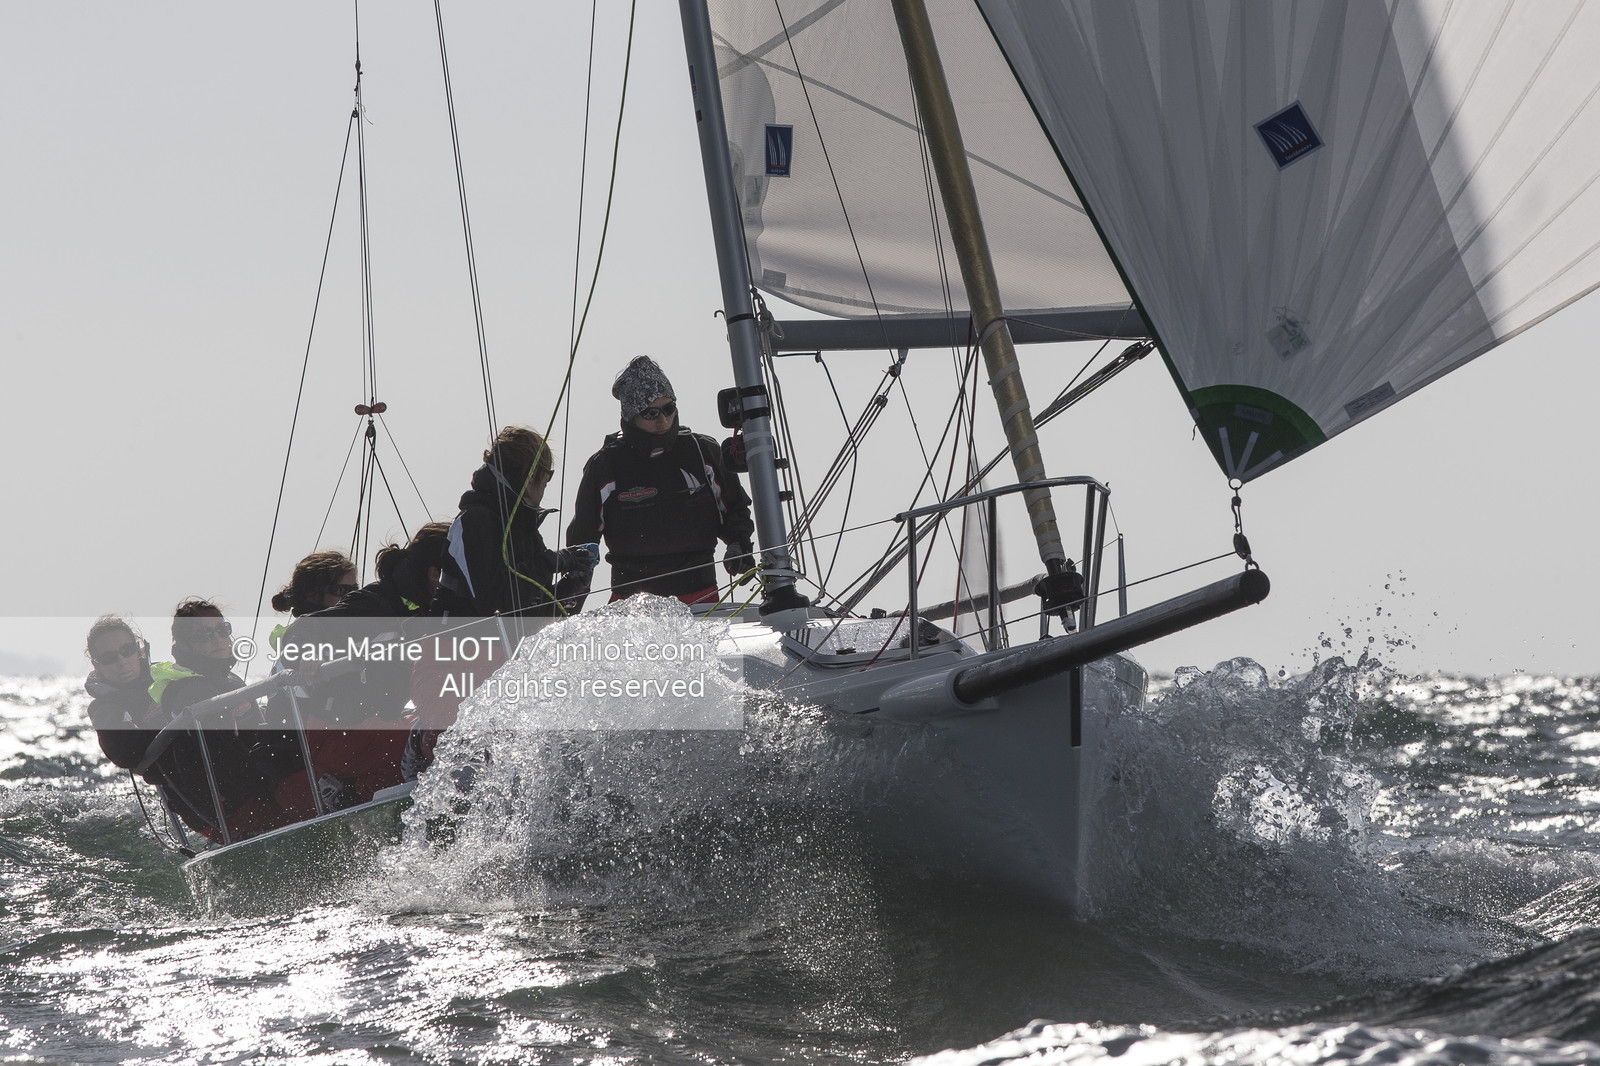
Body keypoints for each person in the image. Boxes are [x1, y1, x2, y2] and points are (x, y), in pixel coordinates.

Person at [270, 523, 451, 809]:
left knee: (425, 737)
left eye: (354, 587)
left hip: (365, 719)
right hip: (329, 731)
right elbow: (307, 628)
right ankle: (351, 793)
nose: (352, 593)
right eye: (344, 589)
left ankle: (359, 793)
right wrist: (308, 653)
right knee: (427, 742)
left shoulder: (424, 607)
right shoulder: (371, 604)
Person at [565, 355, 755, 606]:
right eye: (651, 412)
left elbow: (735, 509)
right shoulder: (606, 464)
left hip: (699, 595)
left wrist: (739, 544)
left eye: (668, 408)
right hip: (631, 602)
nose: (662, 419)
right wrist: (572, 600)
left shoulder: (701, 452)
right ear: (632, 415)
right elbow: (583, 539)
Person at [144, 599, 297, 841]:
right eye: (204, 635)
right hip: (233, 808)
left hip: (255, 790)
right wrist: (279, 786)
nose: (217, 638)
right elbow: (226, 762)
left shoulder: (229, 680)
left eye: (221, 630)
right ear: (185, 645)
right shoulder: (190, 692)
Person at [431, 426, 595, 620]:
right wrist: (554, 561)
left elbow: (531, 616)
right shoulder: (475, 521)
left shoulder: (526, 530)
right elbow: (494, 602)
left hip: (507, 645)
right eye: (547, 475)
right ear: (531, 475)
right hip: (459, 645)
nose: (546, 484)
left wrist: (569, 588)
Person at [84, 615, 159, 771]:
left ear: (138, 651)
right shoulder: (105, 711)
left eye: (127, 650)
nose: (121, 661)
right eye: (109, 657)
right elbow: (128, 754)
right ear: (96, 665)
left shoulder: (168, 678)